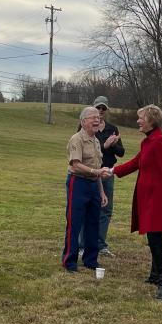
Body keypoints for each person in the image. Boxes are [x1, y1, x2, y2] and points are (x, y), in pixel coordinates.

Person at [113, 105, 162, 300]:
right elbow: (136, 162)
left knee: (155, 238)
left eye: (141, 118)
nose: (138, 121)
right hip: (147, 197)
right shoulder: (148, 142)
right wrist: (112, 171)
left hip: (157, 199)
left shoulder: (160, 142)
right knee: (152, 237)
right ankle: (154, 275)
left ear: (151, 120)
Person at [63, 107, 109, 272]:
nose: (97, 120)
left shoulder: (96, 141)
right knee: (74, 222)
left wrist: (102, 192)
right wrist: (96, 172)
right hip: (78, 183)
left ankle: (90, 260)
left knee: (93, 223)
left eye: (98, 117)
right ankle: (70, 261)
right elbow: (76, 165)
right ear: (83, 121)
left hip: (93, 185)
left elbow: (98, 167)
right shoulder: (77, 139)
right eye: (93, 117)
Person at [84, 96, 124, 257]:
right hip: (89, 171)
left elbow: (121, 153)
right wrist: (105, 145)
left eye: (103, 109)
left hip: (107, 172)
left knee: (105, 209)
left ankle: (100, 244)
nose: (100, 112)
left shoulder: (112, 128)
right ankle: (82, 245)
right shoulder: (86, 126)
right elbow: (84, 148)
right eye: (98, 108)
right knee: (87, 207)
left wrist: (114, 145)